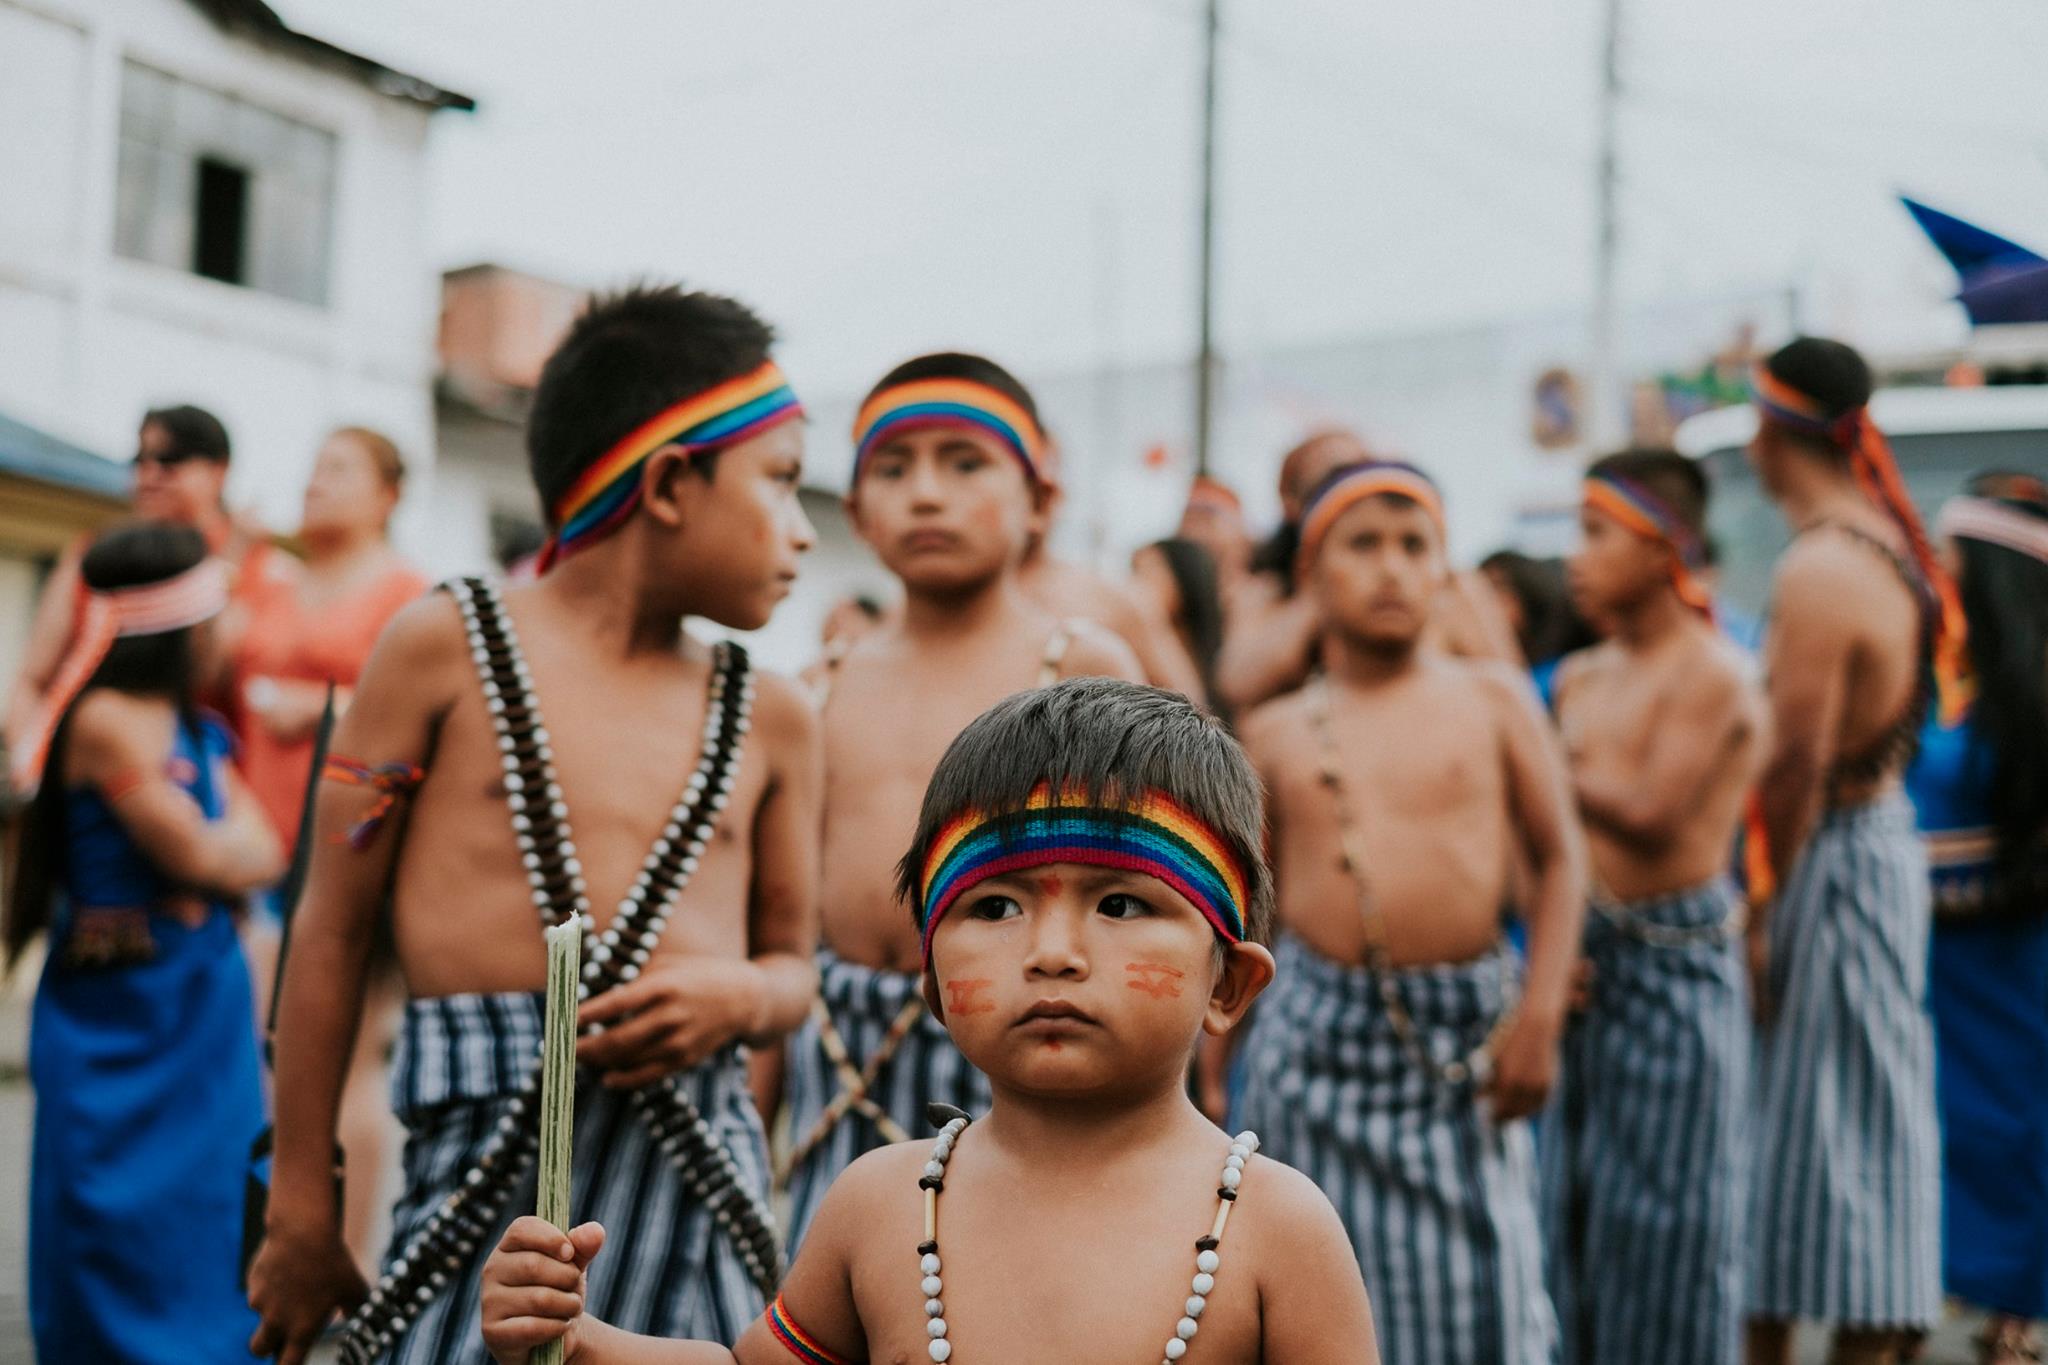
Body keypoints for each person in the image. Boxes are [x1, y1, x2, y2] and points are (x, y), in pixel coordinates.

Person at [244, 285, 826, 1365]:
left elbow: (797, 965)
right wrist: (300, 1208)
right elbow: (327, 932)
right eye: (782, 484)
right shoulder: (437, 648)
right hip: (472, 1202)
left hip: (694, 1209)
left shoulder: (775, 714)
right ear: (665, 484)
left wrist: (742, 995)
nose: (800, 531)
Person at [478, 677, 1381, 1365]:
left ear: (1231, 984)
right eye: (993, 908)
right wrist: (579, 1338)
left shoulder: (1274, 1227)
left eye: (1119, 903)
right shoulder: (882, 1205)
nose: (1051, 951)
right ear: (935, 980)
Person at [777, 352, 1142, 1252]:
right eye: (894, 469)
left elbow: (1143, 887)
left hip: (1026, 1039)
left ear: (1040, 501)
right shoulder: (815, 687)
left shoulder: (1082, 669)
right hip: (834, 1052)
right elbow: (776, 919)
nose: (926, 493)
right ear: (857, 510)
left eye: (965, 462)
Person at [1231, 459, 1585, 1365]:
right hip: (1312, 1046)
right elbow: (1244, 912)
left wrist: (1540, 1012)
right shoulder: (1275, 729)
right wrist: (1209, 1063)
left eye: (1412, 545)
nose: (1390, 567)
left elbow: (1559, 858)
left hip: (1464, 1047)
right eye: (1363, 545)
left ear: (1444, 571)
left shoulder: (1496, 698)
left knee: (1488, 1301)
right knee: (1316, 1292)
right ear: (1312, 577)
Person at [5, 522, 285, 1362]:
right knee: (107, 1209)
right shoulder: (104, 720)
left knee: (210, 1198)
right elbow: (205, 850)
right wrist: (222, 857)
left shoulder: (199, 731)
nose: (236, 631)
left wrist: (227, 855)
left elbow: (266, 849)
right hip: (117, 1017)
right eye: (224, 611)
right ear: (187, 628)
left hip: (199, 1008)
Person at [1744, 337, 1959, 1365]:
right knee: (1852, 1124)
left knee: (1819, 1138)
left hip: (1827, 861)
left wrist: (1753, 905)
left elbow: (1791, 765)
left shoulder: (1825, 565)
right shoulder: (1874, 544)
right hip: (1866, 851)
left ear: (1765, 434)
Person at [1545, 450, 1770, 1365]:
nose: (1575, 556)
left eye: (1597, 532)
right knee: (1568, 1218)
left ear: (1664, 544)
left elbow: (1648, 810)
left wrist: (1532, 750)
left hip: (1676, 966)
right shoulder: (1579, 677)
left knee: (1672, 1234)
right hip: (1584, 967)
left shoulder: (1716, 671)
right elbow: (1553, 839)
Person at [227, 425, 429, 1273]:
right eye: (312, 467)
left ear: (387, 493)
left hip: (350, 847)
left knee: (345, 1054)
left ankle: (342, 1261)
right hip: (255, 845)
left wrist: (315, 709)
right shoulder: (272, 578)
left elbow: (418, 721)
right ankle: (273, 1243)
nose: (316, 484)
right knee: (262, 1051)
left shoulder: (405, 594)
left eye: (339, 469)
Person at [1907, 484, 2048, 1365]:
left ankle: (2005, 1321)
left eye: (1950, 560)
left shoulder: (1971, 731)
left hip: (2002, 984)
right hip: (1956, 990)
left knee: (2012, 1137)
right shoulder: (1946, 700)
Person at [6, 405, 280, 780]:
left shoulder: (260, 565)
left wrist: (229, 563)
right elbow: (35, 677)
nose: (149, 474)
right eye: (140, 460)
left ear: (218, 471)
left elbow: (209, 673)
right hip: (82, 768)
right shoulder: (99, 555)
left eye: (170, 460)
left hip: (196, 778)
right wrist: (29, 760)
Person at [1130, 536, 1226, 711]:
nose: (1135, 584)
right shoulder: (1132, 646)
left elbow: (1194, 712)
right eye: (1134, 571)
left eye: (1147, 570)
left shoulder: (1219, 658)